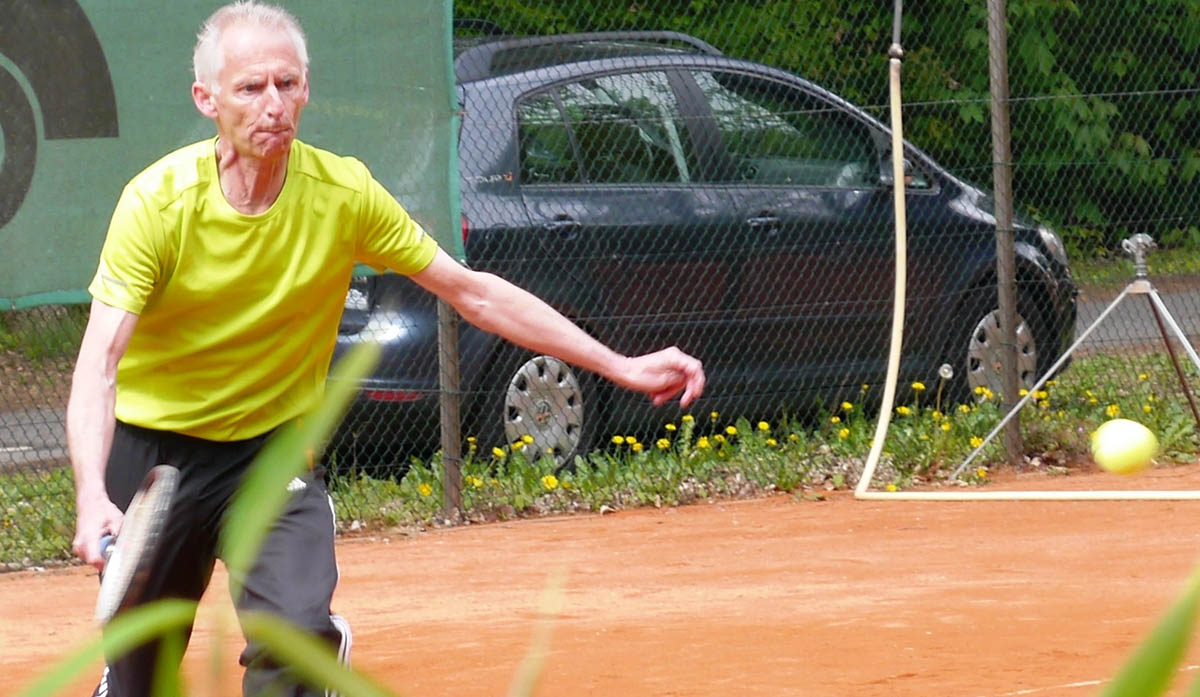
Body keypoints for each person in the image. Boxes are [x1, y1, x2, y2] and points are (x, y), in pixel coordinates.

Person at [67, 2, 705, 695]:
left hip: (269, 449)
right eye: (251, 87)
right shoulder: (157, 205)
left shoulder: (342, 194)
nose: (272, 103)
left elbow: (473, 293)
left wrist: (619, 365)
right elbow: (100, 364)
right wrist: (93, 495)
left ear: (307, 90)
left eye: (287, 83)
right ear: (208, 100)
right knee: (140, 679)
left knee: (296, 642)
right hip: (156, 450)